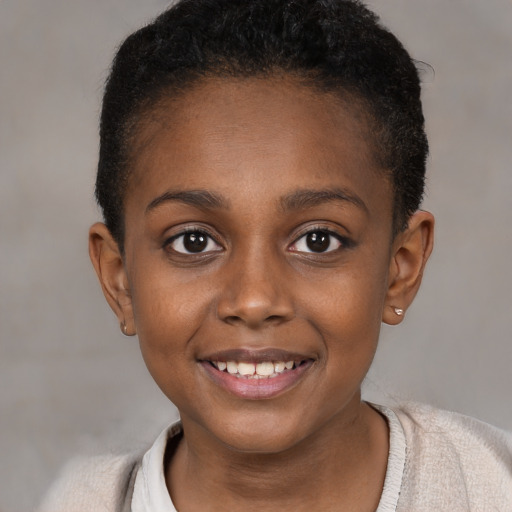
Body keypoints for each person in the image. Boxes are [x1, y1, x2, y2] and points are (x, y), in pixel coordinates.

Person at [38, 0, 512, 510]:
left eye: (318, 240)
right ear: (119, 279)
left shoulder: (491, 485)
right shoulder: (74, 500)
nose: (256, 299)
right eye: (193, 241)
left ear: (401, 267)